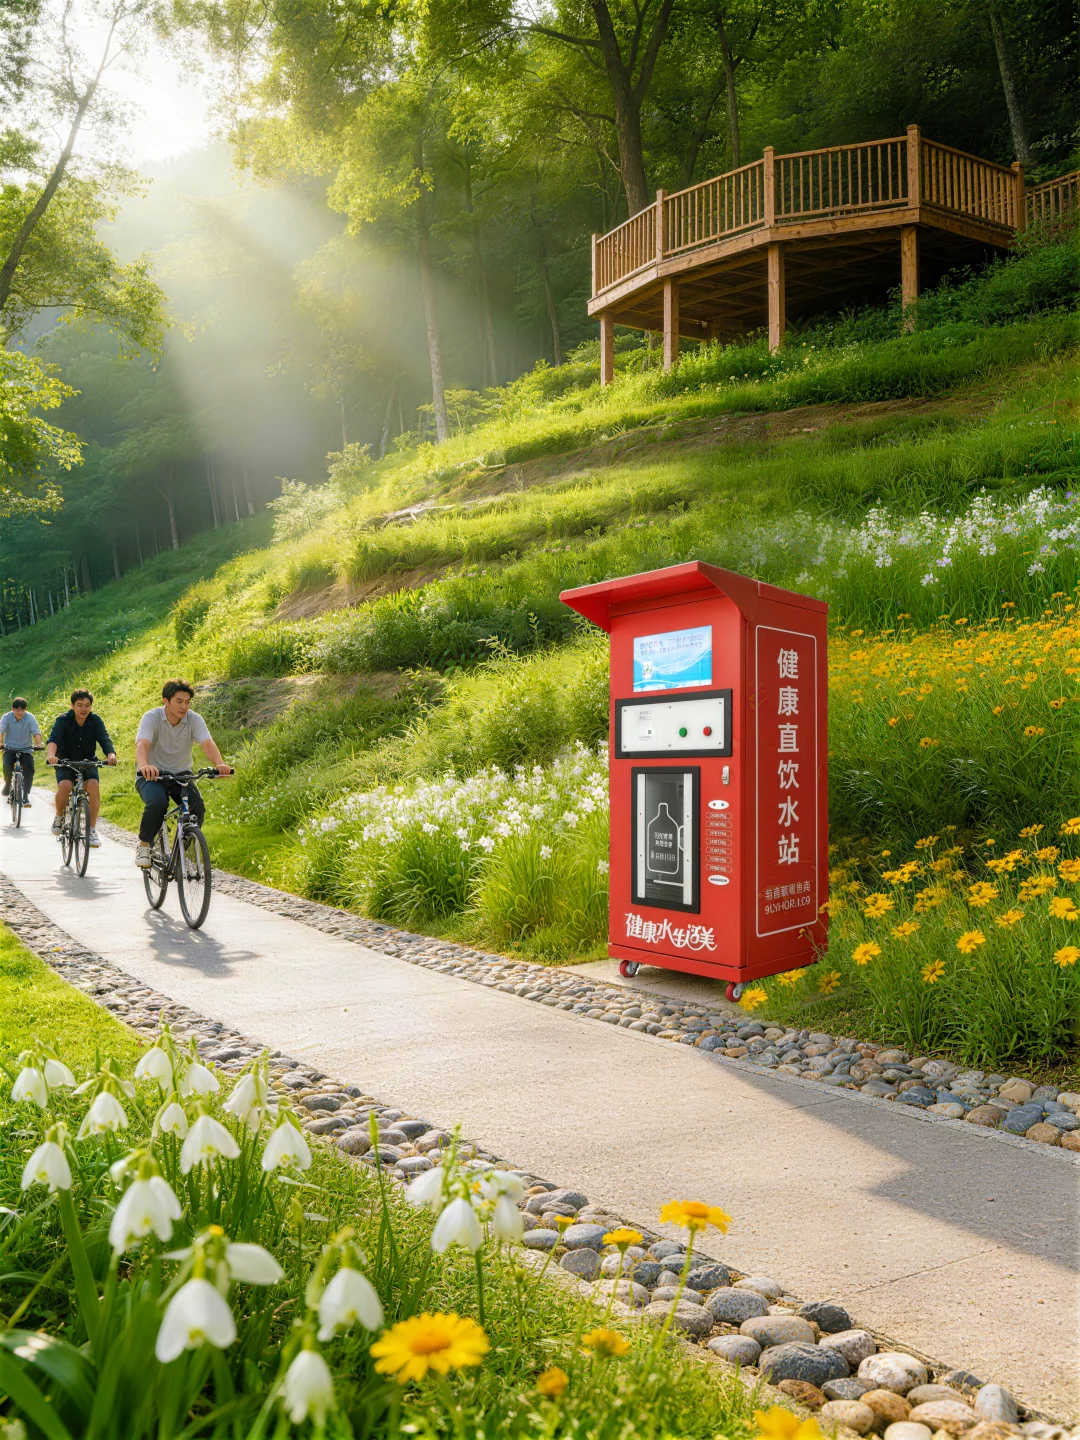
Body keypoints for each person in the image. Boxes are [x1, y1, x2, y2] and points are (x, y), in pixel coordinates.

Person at [134, 679, 231, 868]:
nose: (184, 706)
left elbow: (207, 743)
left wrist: (220, 764)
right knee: (158, 803)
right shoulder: (152, 717)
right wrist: (145, 765)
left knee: (198, 807)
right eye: (179, 701)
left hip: (181, 776)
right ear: (166, 701)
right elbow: (142, 744)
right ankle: (144, 845)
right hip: (152, 776)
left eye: (187, 702)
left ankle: (181, 851)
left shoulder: (194, 719)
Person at [46, 689, 118, 848]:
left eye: (87, 705)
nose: (83, 709)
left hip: (88, 761)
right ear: (72, 705)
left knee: (93, 786)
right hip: (65, 761)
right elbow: (54, 739)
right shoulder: (63, 720)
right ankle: (59, 816)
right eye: (79, 705)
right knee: (65, 786)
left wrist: (111, 755)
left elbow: (105, 739)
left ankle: (91, 830)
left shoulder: (95, 720)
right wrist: (52, 755)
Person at [1, 698, 44, 806]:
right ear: (13, 709)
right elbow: (1, 730)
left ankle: (25, 796)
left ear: (25, 709)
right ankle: (7, 783)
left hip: (26, 749)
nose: (20, 713)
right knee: (6, 765)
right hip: (10, 748)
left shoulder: (30, 717)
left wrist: (38, 743)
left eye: (22, 710)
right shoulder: (7, 717)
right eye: (17, 710)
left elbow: (36, 731)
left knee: (29, 769)